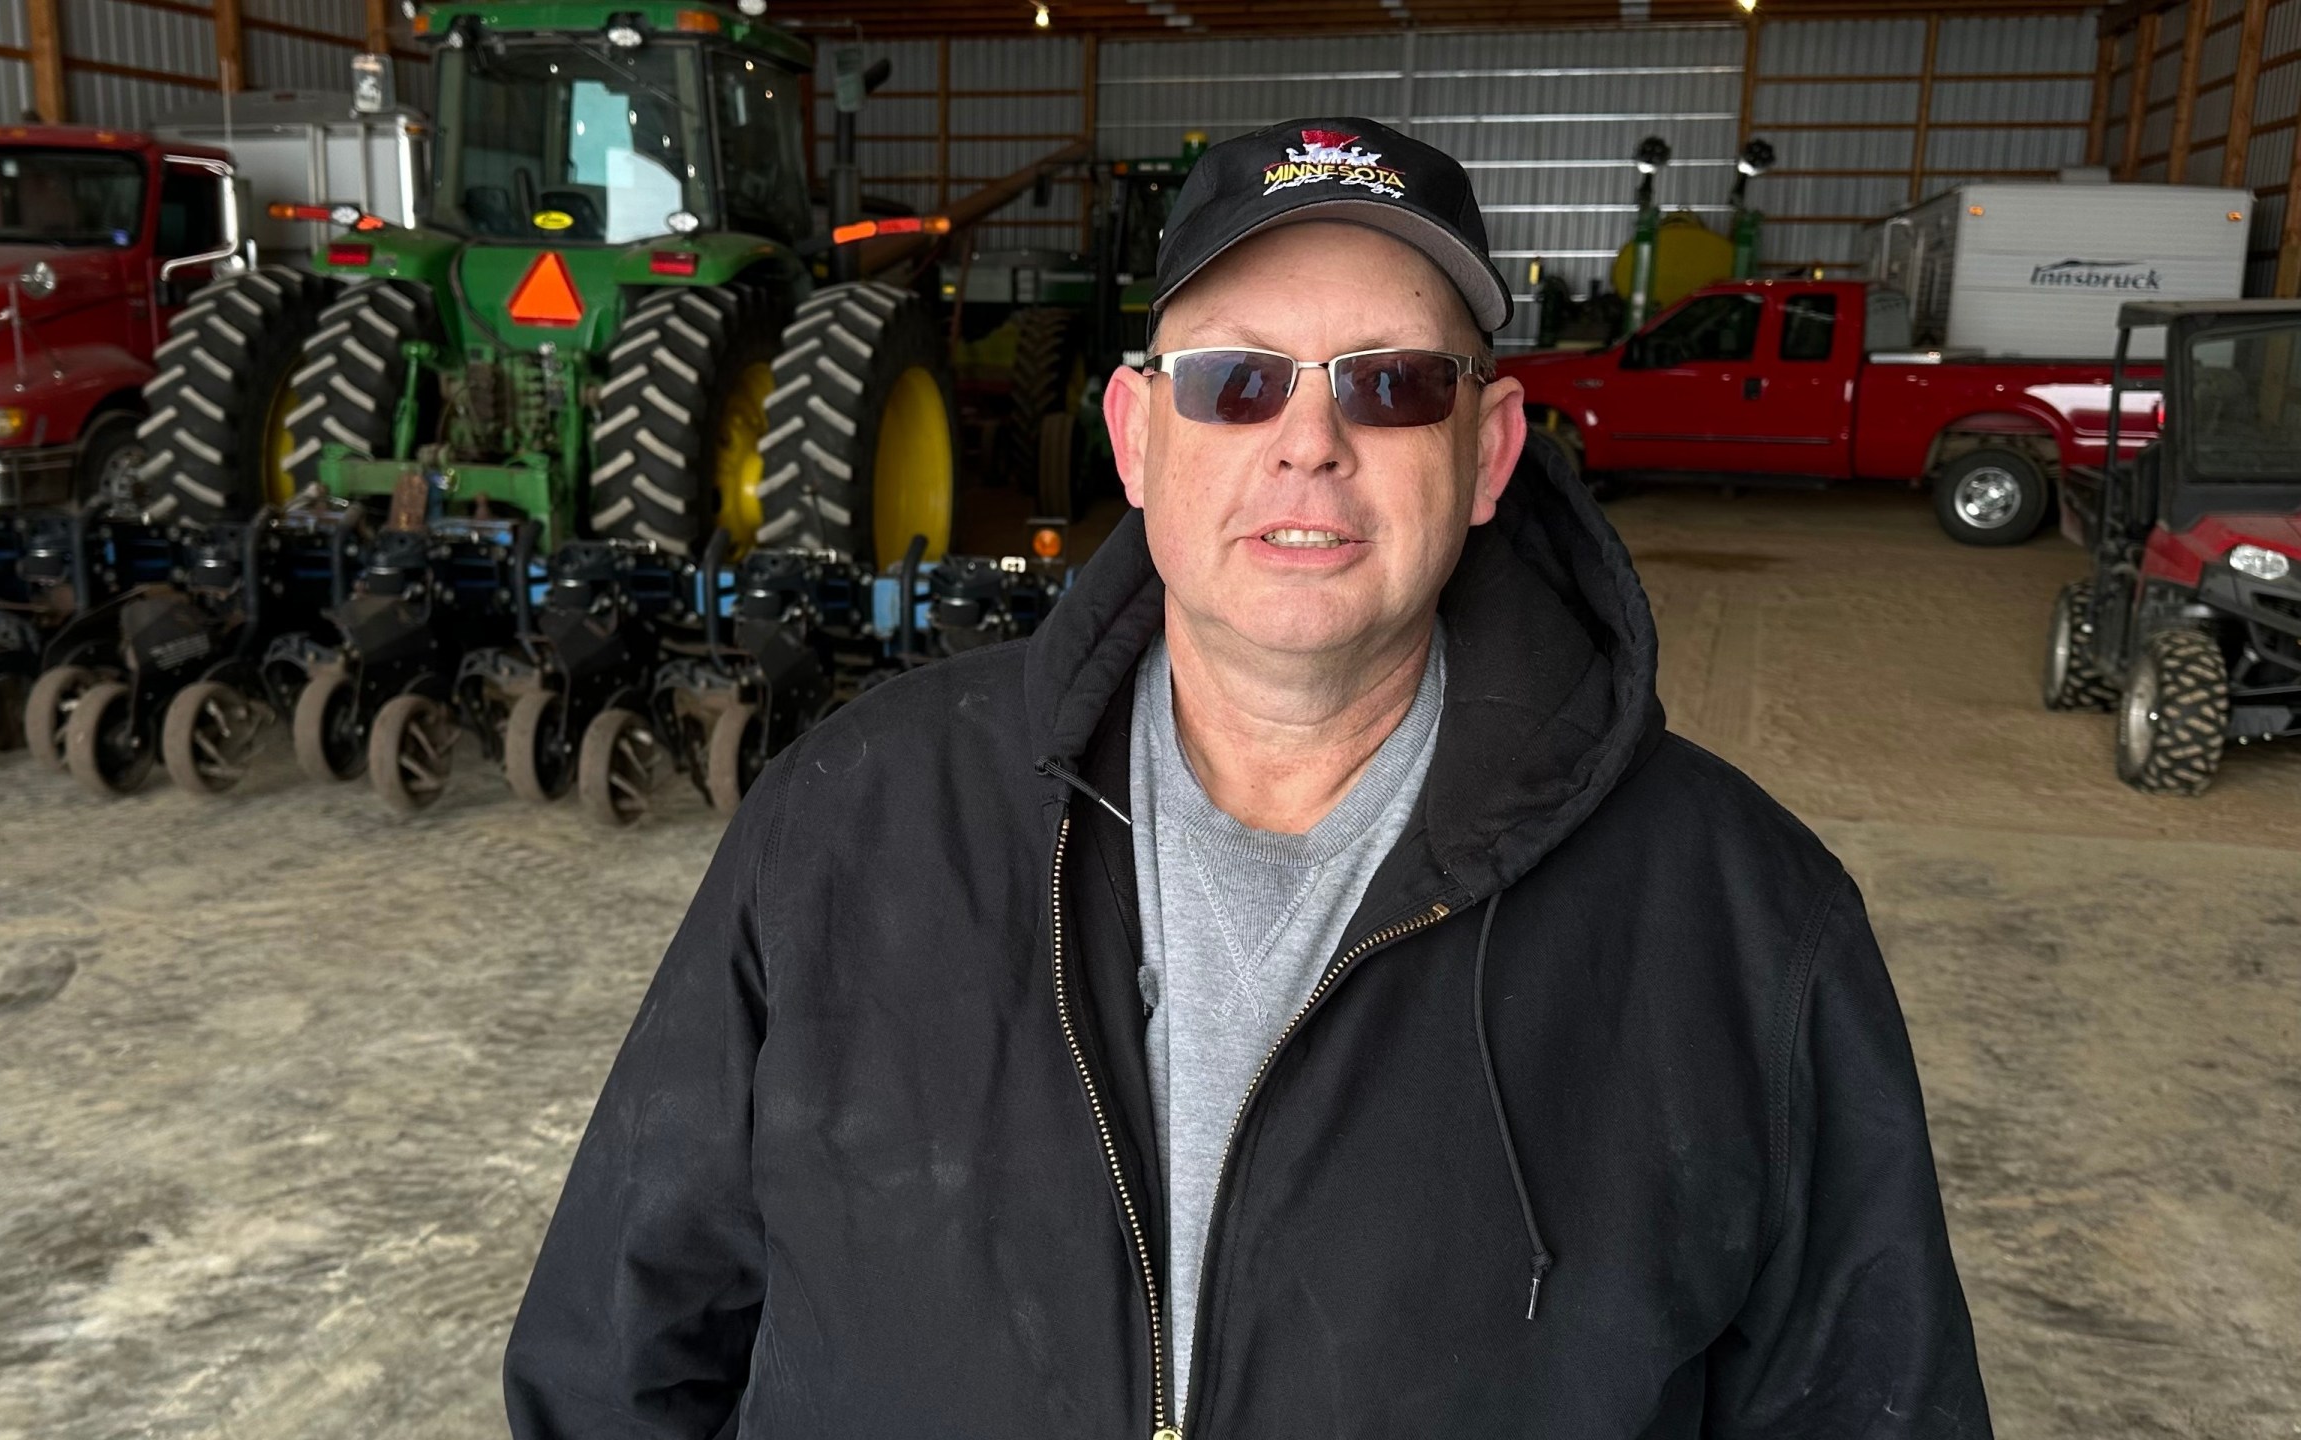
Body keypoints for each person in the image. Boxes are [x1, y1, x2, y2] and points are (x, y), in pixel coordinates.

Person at [505, 117, 1991, 1439]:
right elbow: (622, 1352)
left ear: (1491, 451)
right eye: (1237, 382)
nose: (1310, 443)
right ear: (1137, 436)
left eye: (1394, 384)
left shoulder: (1746, 926)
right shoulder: (847, 822)